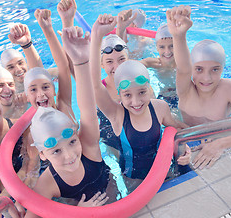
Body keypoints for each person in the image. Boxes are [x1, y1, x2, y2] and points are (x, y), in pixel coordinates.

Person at [166, 5, 231, 169]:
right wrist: (179, 36)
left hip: (217, 140)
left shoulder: (227, 88)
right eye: (199, 69)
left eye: (215, 70)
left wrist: (222, 143)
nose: (206, 78)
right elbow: (183, 68)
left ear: (223, 69)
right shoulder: (186, 90)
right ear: (192, 69)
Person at [90, 13, 190, 182]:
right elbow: (94, 85)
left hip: (165, 169)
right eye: (128, 95)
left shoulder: (159, 107)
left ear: (148, 88)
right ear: (120, 96)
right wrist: (96, 35)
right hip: (133, 180)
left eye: (142, 93)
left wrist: (187, 148)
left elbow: (177, 130)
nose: (136, 102)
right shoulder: (117, 114)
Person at [25, 26, 111, 218]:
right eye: (56, 150)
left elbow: (88, 109)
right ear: (43, 155)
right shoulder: (46, 184)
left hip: (116, 202)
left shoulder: (89, 147)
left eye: (72, 141)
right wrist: (76, 214)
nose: (70, 155)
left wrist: (81, 62)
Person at [2, 23, 58, 93]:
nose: (18, 69)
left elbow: (66, 70)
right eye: (11, 67)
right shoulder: (8, 94)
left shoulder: (45, 74)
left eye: (20, 63)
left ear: (26, 63)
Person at [140, 24, 178, 108]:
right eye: (162, 47)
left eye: (172, 46)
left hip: (184, 96)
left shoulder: (183, 63)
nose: (167, 51)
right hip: (165, 97)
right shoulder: (154, 63)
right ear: (156, 48)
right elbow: (131, 66)